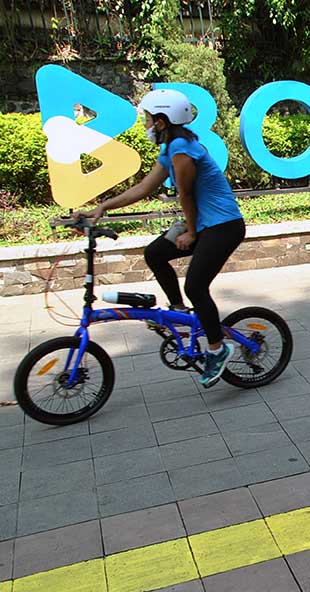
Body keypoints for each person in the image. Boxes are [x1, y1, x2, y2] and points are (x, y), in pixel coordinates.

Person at [74, 88, 245, 388]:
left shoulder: (182, 149)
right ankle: (179, 311)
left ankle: (217, 349)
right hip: (204, 223)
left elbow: (186, 195)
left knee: (196, 286)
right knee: (155, 253)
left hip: (223, 226)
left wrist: (191, 232)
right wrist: (102, 207)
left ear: (162, 122)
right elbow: (143, 188)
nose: (146, 124)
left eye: (148, 118)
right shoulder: (170, 149)